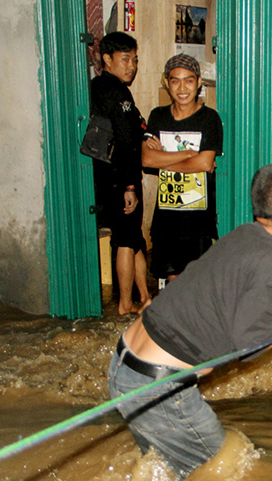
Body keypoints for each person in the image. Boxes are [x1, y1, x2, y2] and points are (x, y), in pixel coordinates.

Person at [107, 163, 272, 477]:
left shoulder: (245, 236)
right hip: (159, 386)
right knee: (228, 474)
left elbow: (270, 276)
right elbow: (251, 344)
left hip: (124, 366)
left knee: (165, 476)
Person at [142, 54, 224, 284]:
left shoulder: (209, 118)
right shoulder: (158, 116)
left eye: (189, 80)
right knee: (172, 280)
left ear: (199, 83)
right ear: (166, 83)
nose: (182, 87)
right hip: (167, 214)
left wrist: (164, 159)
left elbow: (205, 163)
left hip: (198, 215)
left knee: (196, 279)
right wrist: (188, 155)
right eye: (175, 80)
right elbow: (147, 159)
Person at [90, 31, 151, 315]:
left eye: (135, 60)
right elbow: (127, 140)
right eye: (125, 59)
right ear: (106, 59)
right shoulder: (117, 91)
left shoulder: (96, 87)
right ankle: (126, 304)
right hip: (121, 177)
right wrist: (129, 185)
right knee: (126, 239)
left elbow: (134, 124)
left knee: (135, 237)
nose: (131, 66)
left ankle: (145, 296)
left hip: (107, 175)